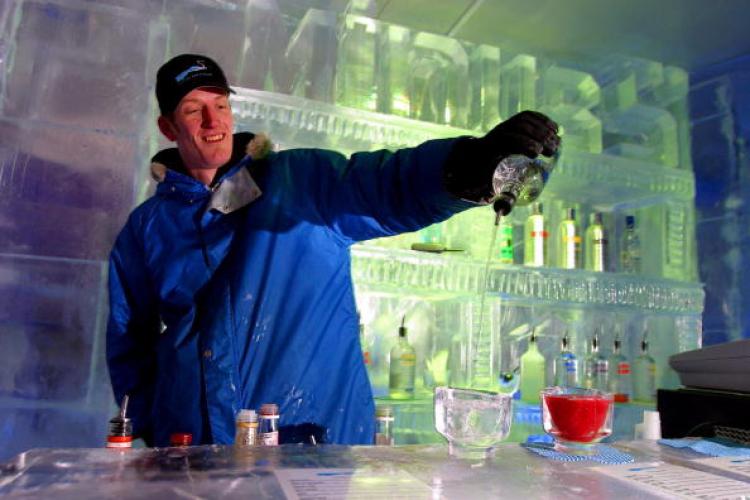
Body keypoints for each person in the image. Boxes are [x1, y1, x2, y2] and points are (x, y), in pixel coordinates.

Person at [106, 53, 560, 447]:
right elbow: (129, 342)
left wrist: (468, 168)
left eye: (221, 105)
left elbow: (389, 185)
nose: (213, 122)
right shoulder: (146, 228)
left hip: (313, 445)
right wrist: (154, 431)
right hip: (194, 450)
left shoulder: (299, 183)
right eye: (193, 109)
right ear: (168, 126)